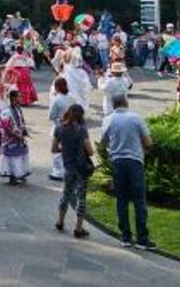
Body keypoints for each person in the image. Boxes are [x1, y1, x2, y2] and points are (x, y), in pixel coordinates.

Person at [100, 95, 156, 250]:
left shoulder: (108, 120)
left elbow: (102, 144)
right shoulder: (136, 118)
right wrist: (143, 150)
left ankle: (125, 236)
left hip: (117, 161)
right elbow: (148, 142)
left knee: (122, 200)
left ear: (113, 105)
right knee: (139, 201)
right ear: (126, 103)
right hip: (135, 161)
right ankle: (142, 238)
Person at [52, 104, 94, 238]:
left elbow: (54, 149)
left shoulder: (59, 128)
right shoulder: (81, 130)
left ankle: (60, 221)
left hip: (68, 166)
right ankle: (78, 228)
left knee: (66, 194)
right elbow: (90, 151)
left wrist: (65, 149)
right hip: (81, 168)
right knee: (81, 198)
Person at [0, 89, 30, 185]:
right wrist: (16, 135)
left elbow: (21, 122)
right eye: (19, 97)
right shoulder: (6, 112)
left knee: (20, 155)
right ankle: (12, 176)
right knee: (12, 157)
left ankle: (20, 173)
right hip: (10, 140)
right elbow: (6, 128)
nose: (20, 98)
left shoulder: (18, 110)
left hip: (19, 138)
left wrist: (24, 131)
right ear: (13, 98)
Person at [48, 76, 75, 181]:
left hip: (59, 126)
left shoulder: (56, 100)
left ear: (56, 87)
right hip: (71, 126)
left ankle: (58, 172)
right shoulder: (72, 97)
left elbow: (51, 115)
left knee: (57, 150)